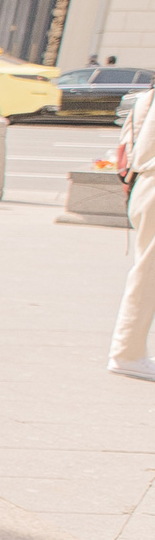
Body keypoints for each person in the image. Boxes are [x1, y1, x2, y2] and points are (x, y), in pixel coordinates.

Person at [114, 89, 155, 382]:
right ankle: (126, 353)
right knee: (147, 276)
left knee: (147, 272)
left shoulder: (147, 97)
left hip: (144, 185)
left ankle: (128, 352)